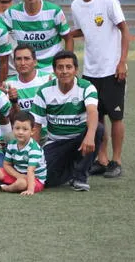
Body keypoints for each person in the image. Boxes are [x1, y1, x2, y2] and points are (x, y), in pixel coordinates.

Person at [70, 0, 130, 178]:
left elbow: (124, 29)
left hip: (112, 70)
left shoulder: (108, 1)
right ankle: (102, 159)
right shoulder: (76, 5)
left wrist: (122, 61)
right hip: (90, 71)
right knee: (97, 116)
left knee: (116, 116)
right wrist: (66, 36)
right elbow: (81, 31)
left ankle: (117, 160)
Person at [30, 50, 104, 191]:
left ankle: (80, 177)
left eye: (68, 67)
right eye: (60, 67)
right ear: (54, 70)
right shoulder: (44, 91)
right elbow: (36, 126)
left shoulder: (86, 87)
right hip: (56, 143)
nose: (64, 71)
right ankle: (71, 171)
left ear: (76, 69)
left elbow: (92, 112)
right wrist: (33, 154)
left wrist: (89, 135)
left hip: (79, 140)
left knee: (98, 129)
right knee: (46, 181)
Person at [3, 0, 73, 73]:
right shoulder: (12, 13)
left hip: (52, 69)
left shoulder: (54, 11)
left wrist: (67, 64)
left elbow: (68, 38)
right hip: (27, 70)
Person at [0, 111, 47, 195]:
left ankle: (4, 188)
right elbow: (6, 164)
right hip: (17, 175)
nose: (20, 132)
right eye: (17, 128)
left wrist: (30, 190)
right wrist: (17, 175)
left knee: (22, 183)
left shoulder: (34, 149)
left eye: (25, 129)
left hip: (34, 180)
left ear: (32, 131)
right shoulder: (12, 144)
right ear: (12, 128)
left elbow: (31, 171)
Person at [5, 44, 52, 142]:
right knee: (8, 137)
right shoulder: (8, 85)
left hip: (48, 134)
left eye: (26, 58)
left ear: (35, 62)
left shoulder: (48, 79)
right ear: (14, 63)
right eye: (18, 59)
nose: (22, 63)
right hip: (22, 135)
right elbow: (11, 120)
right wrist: (14, 102)